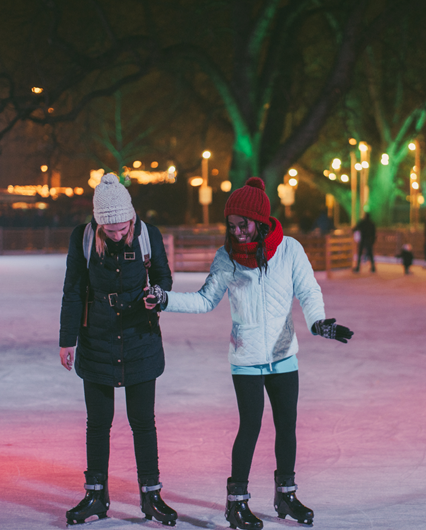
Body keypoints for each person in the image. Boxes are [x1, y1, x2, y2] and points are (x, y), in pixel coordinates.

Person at [144, 177, 353, 530]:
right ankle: (236, 502)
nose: (237, 231)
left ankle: (285, 493)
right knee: (251, 426)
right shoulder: (227, 258)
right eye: (232, 225)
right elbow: (205, 299)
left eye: (243, 224)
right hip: (246, 359)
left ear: (260, 220)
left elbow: (308, 290)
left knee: (287, 426)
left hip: (284, 355)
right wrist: (166, 299)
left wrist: (318, 323)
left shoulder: (290, 250)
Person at [58, 173, 177, 526]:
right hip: (97, 339)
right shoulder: (82, 238)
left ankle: (151, 495)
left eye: (122, 226)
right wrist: (68, 339)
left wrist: (157, 295)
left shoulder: (147, 234)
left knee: (143, 422)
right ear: (98, 224)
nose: (117, 233)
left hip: (140, 338)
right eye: (109, 230)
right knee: (98, 422)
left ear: (131, 216)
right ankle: (96, 495)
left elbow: (164, 276)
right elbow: (73, 289)